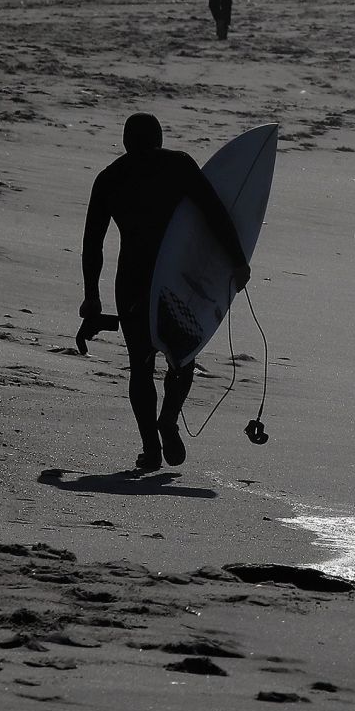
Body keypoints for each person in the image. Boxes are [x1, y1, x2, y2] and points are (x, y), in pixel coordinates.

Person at [80, 114, 250, 472]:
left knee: (140, 366)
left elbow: (92, 245)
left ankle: (151, 450)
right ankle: (168, 420)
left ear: (125, 141)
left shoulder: (110, 178)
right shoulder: (177, 165)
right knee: (181, 357)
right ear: (159, 138)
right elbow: (215, 214)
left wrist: (91, 295)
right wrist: (237, 261)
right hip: (175, 278)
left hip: (132, 280)